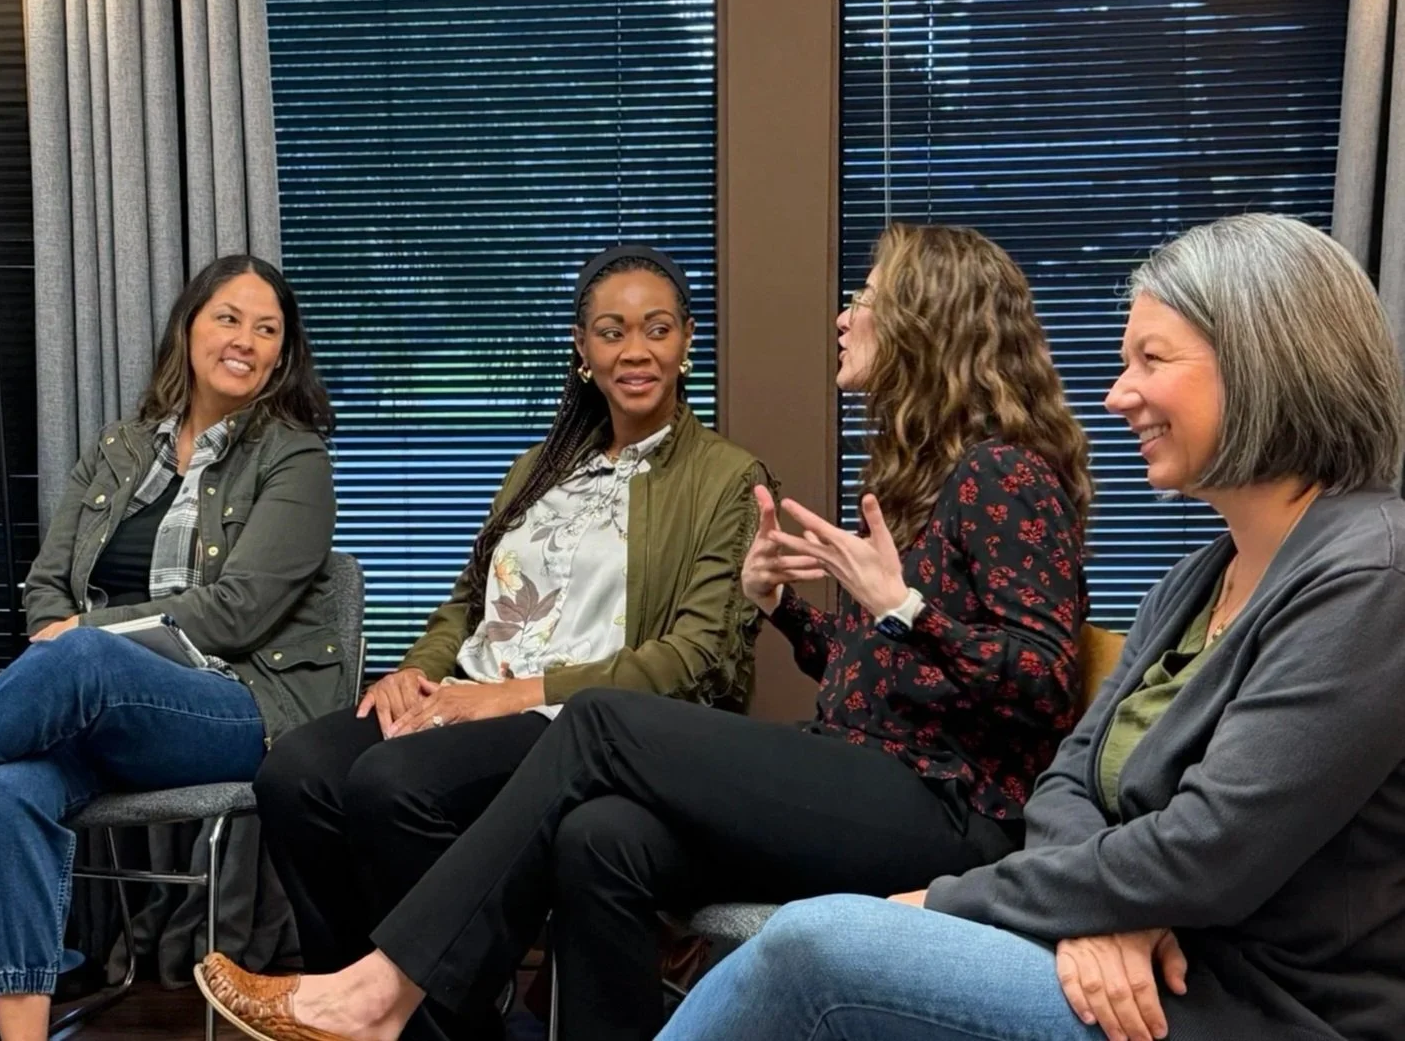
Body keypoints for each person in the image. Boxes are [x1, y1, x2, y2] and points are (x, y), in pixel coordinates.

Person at [196, 223, 1094, 1041]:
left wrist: (903, 607)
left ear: (926, 324)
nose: (844, 313)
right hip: (869, 772)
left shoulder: (1002, 475)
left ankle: (385, 993)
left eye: (866, 297)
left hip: (951, 813)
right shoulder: (920, 479)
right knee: (602, 837)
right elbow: (886, 679)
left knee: (596, 720)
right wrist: (788, 613)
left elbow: (1043, 683)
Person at [655, 213, 1405, 1041]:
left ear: (1267, 364)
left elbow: (1206, 852)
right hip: (1129, 967)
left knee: (809, 943)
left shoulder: (1371, 577)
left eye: (1150, 359)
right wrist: (1097, 914)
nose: (1118, 393)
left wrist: (950, 900)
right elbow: (1066, 783)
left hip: (1244, 1008)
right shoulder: (1193, 581)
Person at [249, 244, 771, 1040]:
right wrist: (416, 674)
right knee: (295, 774)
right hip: (468, 692)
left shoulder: (725, 476)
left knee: (393, 784)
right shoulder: (538, 466)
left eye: (657, 328)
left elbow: (695, 654)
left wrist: (512, 695)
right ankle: (345, 1004)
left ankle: (431, 1020)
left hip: (579, 723)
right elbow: (468, 603)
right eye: (611, 331)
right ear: (582, 348)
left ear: (687, 341)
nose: (635, 349)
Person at [0, 255, 342, 1041]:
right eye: (227, 318)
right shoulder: (120, 451)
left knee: (82, 658)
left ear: (282, 355)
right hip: (104, 714)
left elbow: (237, 613)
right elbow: (46, 587)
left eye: (267, 329)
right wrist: (75, 636)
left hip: (238, 707)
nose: (245, 340)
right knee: (7, 788)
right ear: (188, 328)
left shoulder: (295, 458)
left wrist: (90, 636)